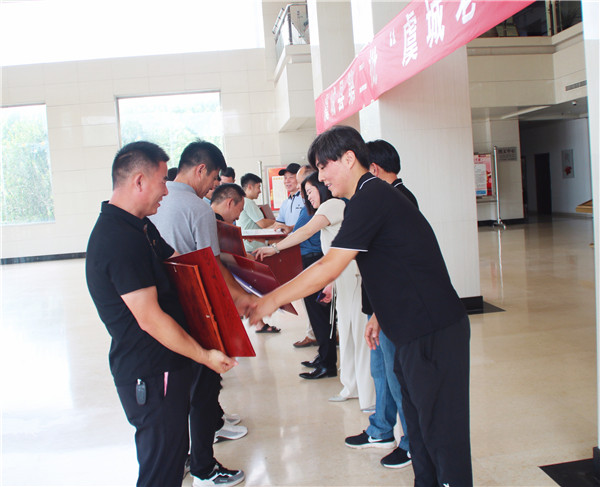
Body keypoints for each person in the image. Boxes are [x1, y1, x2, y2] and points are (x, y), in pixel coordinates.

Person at [249, 126, 472, 487]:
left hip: (431, 330)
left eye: (324, 166)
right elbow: (396, 261)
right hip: (406, 328)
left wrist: (270, 300)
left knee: (442, 434)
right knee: (419, 429)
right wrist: (380, 315)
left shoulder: (372, 197)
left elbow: (329, 266)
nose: (321, 177)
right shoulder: (365, 198)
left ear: (349, 159)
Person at [85, 141, 238, 487]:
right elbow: (150, 318)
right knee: (161, 472)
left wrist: (233, 299)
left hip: (166, 366)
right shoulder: (117, 239)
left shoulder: (139, 226)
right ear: (138, 181)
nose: (166, 192)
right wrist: (205, 355)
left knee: (169, 460)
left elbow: (180, 265)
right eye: (161, 183)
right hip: (151, 374)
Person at [148, 140, 249, 487]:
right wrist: (241, 300)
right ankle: (205, 467)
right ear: (201, 169)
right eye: (214, 177)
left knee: (179, 391)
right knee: (205, 388)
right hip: (197, 310)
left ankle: (183, 460)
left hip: (164, 313)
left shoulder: (152, 204)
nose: (214, 186)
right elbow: (212, 266)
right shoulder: (198, 209)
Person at [256, 172, 373, 408]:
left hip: (352, 277)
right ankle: (351, 386)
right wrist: (331, 283)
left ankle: (367, 395)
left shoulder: (333, 204)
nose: (307, 197)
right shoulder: (332, 207)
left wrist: (275, 249)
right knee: (347, 334)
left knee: (357, 336)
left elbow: (305, 232)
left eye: (310, 191)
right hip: (341, 277)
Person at [344, 139, 416, 468]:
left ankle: (412, 442)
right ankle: (382, 429)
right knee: (382, 372)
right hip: (378, 306)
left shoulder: (397, 199)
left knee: (397, 377)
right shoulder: (385, 197)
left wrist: (378, 312)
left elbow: (396, 266)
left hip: (390, 308)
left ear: (372, 168)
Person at [291, 165, 319, 349]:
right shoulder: (309, 205)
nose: (299, 189)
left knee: (316, 308)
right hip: (308, 257)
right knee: (314, 307)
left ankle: (318, 340)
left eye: (302, 184)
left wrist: (275, 248)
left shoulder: (320, 206)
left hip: (313, 257)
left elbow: (302, 232)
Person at [237, 173, 276, 254]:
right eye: (258, 187)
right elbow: (263, 223)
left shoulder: (243, 201)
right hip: (253, 249)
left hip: (249, 247)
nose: (260, 191)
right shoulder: (248, 202)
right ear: (250, 187)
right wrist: (278, 222)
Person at [273, 163, 304, 233]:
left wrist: (291, 228)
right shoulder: (285, 203)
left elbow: (309, 222)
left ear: (299, 178)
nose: (287, 181)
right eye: (285, 178)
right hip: (290, 239)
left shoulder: (307, 199)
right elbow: (278, 223)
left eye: (291, 177)